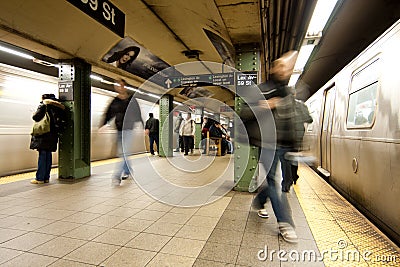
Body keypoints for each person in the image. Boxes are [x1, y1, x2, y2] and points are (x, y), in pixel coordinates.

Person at [241, 51, 299, 243]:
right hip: (265, 143)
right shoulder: (260, 89)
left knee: (277, 181)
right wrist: (264, 106)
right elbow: (243, 113)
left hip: (284, 144)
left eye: (287, 68)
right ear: (273, 68)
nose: (284, 70)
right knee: (274, 181)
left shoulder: (289, 93)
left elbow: (293, 121)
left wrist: (296, 145)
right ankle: (285, 223)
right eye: (280, 66)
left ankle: (259, 202)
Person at [100, 78, 143, 185]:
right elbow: (109, 113)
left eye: (122, 85)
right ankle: (128, 171)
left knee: (123, 153)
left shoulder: (132, 100)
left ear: (125, 86)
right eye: (118, 85)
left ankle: (116, 176)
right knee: (124, 153)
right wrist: (103, 124)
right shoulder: (115, 101)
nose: (120, 87)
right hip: (118, 129)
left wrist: (144, 126)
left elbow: (138, 113)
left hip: (128, 129)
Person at [30, 94, 65, 184]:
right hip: (53, 135)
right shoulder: (58, 107)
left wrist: (34, 113)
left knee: (42, 155)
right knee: (48, 156)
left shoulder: (44, 105)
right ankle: (46, 177)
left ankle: (40, 178)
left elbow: (36, 117)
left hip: (44, 134)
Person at [291, 99, 313, 184]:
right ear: (295, 94)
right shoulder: (301, 105)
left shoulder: (282, 103)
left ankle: (287, 180)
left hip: (285, 136)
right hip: (297, 135)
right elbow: (309, 120)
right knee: (293, 156)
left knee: (285, 156)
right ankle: (294, 176)